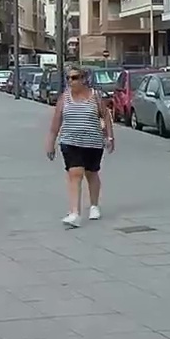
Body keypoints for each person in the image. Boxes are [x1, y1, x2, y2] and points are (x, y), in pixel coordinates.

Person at [45, 66, 113, 228]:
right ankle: (74, 213)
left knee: (91, 173)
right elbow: (56, 122)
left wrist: (109, 137)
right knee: (75, 173)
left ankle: (94, 205)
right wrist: (50, 143)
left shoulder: (95, 96)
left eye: (74, 78)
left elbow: (106, 116)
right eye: (68, 78)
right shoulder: (64, 98)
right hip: (70, 142)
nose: (70, 81)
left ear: (83, 79)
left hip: (93, 142)